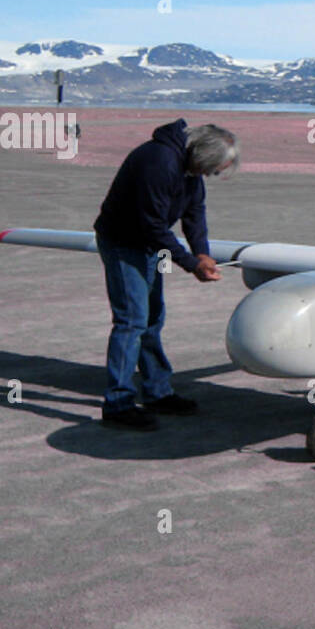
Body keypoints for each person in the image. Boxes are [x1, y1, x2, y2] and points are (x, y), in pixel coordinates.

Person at [93, 119, 238, 430]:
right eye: (211, 170)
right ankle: (117, 404)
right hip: (124, 242)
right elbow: (152, 226)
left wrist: (201, 251)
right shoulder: (160, 162)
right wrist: (190, 264)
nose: (209, 176)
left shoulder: (188, 166)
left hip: (145, 243)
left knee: (152, 318)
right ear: (202, 156)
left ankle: (158, 391)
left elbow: (195, 211)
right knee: (131, 320)